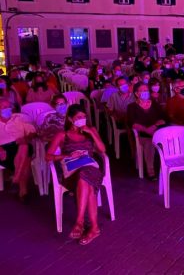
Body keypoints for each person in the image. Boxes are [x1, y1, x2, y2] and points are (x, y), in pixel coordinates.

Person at [46, 104, 105, 245]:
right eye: (78, 117)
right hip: (72, 171)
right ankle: (94, 228)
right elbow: (48, 156)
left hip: (91, 167)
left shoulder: (90, 130)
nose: (82, 120)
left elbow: (102, 149)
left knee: (85, 174)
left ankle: (79, 222)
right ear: (71, 119)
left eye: (84, 117)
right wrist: (66, 155)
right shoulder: (62, 135)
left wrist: (91, 133)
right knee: (86, 184)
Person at [0, 97, 36, 201]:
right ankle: (22, 190)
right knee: (25, 159)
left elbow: (32, 133)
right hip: (4, 150)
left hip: (20, 144)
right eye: (4, 107)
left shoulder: (18, 118)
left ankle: (16, 179)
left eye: (9, 107)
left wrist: (25, 137)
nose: (8, 109)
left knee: (24, 146)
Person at [127, 82, 165, 180]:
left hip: (157, 131)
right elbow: (132, 123)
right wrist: (146, 130)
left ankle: (169, 164)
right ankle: (150, 170)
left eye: (146, 90)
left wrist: (155, 126)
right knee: (149, 142)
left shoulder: (154, 104)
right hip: (143, 134)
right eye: (142, 90)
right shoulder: (132, 107)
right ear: (136, 93)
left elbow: (163, 118)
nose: (145, 92)